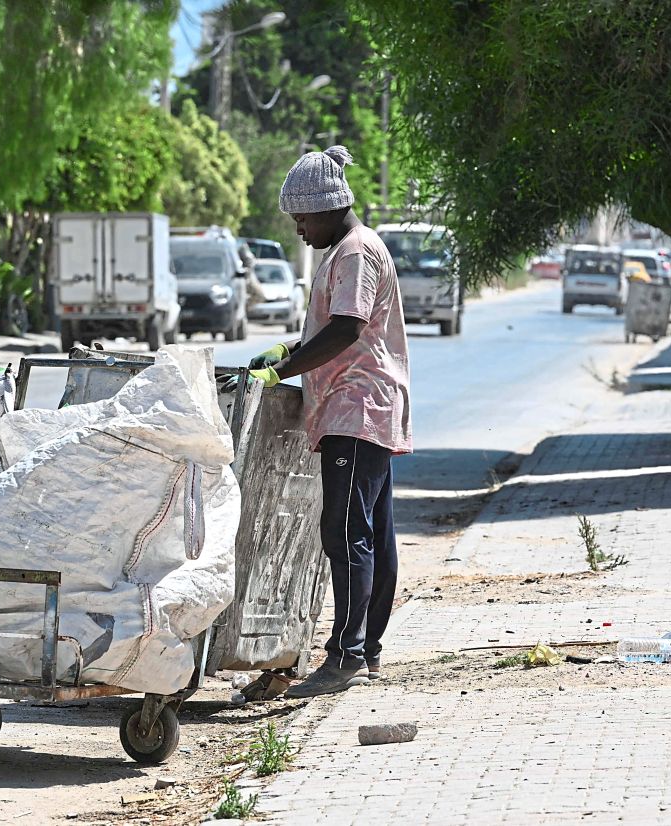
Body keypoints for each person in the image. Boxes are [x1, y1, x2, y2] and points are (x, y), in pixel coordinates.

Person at [227, 145, 412, 698]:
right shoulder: (349, 250)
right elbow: (333, 325)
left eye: (303, 218)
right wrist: (288, 346)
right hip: (359, 408)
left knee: (345, 530)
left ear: (328, 207)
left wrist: (282, 369)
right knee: (374, 532)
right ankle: (367, 648)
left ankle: (346, 655)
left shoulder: (355, 252)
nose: (300, 229)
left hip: (356, 409)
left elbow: (348, 330)